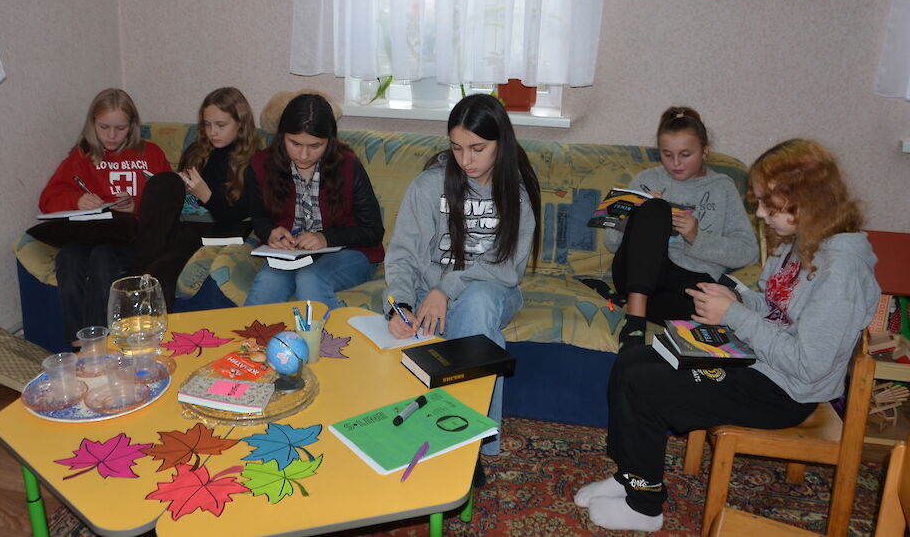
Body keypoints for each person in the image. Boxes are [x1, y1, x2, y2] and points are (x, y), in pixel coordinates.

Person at [574, 138, 880, 532]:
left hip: (786, 392)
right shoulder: (801, 243)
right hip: (758, 361)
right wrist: (737, 299)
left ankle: (645, 505)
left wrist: (734, 314)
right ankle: (629, 475)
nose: (761, 213)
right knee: (633, 359)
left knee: (645, 384)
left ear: (806, 200)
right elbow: (776, 308)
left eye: (769, 204)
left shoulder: (842, 274)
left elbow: (810, 364)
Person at [384, 93, 541, 456]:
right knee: (481, 330)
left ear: (501, 144)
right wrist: (399, 305)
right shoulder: (428, 186)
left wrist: (446, 288)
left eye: (477, 148)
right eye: (456, 148)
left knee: (478, 302)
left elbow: (507, 267)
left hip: (494, 290)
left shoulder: (517, 193)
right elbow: (403, 254)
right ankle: (473, 440)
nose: (466, 160)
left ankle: (464, 446)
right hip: (428, 292)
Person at [606, 106, 759, 349]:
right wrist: (636, 214)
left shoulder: (722, 187)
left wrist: (697, 237)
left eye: (686, 154)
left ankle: (635, 305)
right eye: (667, 155)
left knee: (705, 309)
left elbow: (748, 252)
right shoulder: (646, 179)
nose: (675, 163)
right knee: (655, 208)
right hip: (636, 273)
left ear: (705, 151)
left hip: (688, 281)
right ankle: (635, 321)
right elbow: (611, 242)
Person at [39, 88, 171, 342]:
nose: (111, 135)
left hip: (130, 236)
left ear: (132, 125)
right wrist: (76, 200)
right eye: (104, 127)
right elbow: (47, 200)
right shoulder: (82, 156)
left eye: (120, 128)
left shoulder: (151, 154)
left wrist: (136, 206)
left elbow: (169, 202)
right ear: (92, 124)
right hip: (90, 233)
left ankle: (102, 339)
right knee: (68, 258)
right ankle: (79, 341)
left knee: (102, 257)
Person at [243, 93, 384, 309]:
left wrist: (326, 238)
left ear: (330, 141)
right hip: (290, 254)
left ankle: (327, 332)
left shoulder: (347, 165)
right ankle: (253, 334)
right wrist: (270, 233)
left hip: (349, 252)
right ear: (282, 136)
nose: (304, 155)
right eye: (295, 143)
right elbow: (259, 217)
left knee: (310, 278)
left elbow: (373, 230)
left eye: (315, 146)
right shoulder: (260, 165)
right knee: (268, 282)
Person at [130, 87, 260, 308]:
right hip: (181, 220)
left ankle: (145, 292)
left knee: (163, 268)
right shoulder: (197, 151)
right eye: (207, 125)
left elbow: (239, 215)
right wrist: (183, 189)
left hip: (212, 229)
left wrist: (207, 196)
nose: (212, 132)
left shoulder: (253, 161)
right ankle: (142, 266)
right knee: (164, 182)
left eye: (220, 125)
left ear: (241, 123)